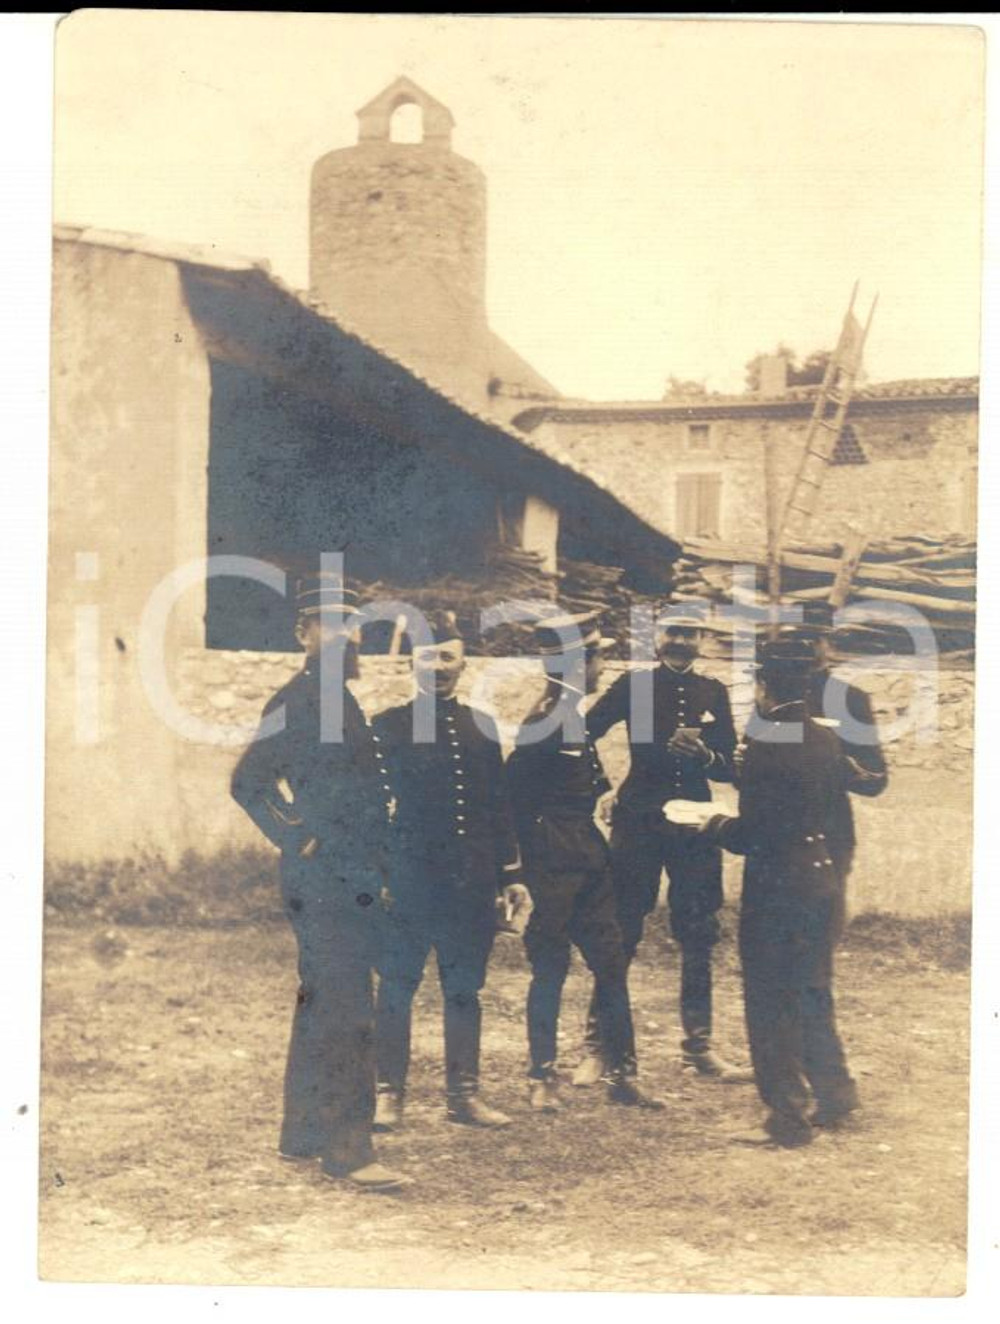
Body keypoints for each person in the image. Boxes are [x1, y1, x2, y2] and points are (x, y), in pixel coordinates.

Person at [230, 573, 410, 1192]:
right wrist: (295, 835)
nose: (341, 636)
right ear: (303, 632)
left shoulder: (344, 698)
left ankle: (302, 1132)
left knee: (321, 1000)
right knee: (347, 1007)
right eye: (328, 624)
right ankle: (349, 1150)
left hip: (353, 873)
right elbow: (248, 783)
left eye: (350, 625)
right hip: (322, 876)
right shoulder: (296, 700)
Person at [694, 637, 862, 1147]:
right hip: (821, 879)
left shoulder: (767, 743)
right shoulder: (825, 738)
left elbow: (754, 833)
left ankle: (786, 1118)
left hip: (777, 888)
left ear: (764, 686)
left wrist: (714, 823)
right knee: (812, 987)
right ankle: (835, 1093)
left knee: (769, 998)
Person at [372, 610, 531, 1131]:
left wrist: (511, 873)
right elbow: (371, 810)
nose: (437, 667)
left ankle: (464, 1095)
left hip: (470, 882)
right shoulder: (387, 727)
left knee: (465, 988)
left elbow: (499, 807)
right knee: (396, 984)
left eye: (447, 658)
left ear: (463, 666)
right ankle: (386, 1093)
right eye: (427, 657)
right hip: (410, 881)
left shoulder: (481, 728)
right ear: (411, 664)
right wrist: (377, 876)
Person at [581, 607, 751, 1083]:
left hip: (696, 825)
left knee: (699, 931)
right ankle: (599, 1045)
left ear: (701, 638)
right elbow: (581, 734)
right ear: (656, 638)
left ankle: (699, 1047)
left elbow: (728, 770)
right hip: (638, 820)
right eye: (673, 632)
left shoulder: (713, 691)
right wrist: (603, 788)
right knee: (621, 928)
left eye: (689, 632)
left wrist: (708, 755)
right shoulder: (632, 687)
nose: (680, 640)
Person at [506, 611, 664, 1114]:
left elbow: (587, 786)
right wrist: (521, 873)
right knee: (550, 968)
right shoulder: (543, 722)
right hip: (552, 864)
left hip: (591, 860)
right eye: (596, 656)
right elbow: (514, 802)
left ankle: (624, 1074)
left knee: (612, 965)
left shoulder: (570, 715)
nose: (602, 665)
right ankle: (541, 1078)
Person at [781, 600, 889, 876]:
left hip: (828, 829)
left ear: (828, 644)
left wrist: (842, 767)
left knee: (824, 916)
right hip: (774, 827)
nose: (804, 648)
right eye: (796, 639)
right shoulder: (771, 693)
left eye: (813, 639)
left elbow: (875, 779)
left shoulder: (851, 699)